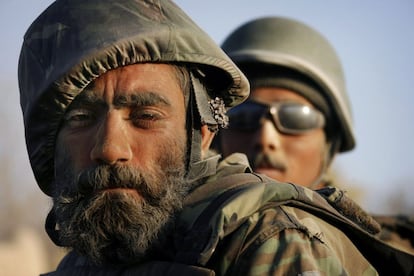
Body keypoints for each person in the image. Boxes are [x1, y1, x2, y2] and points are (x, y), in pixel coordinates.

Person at [18, 1, 413, 275]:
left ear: (202, 130)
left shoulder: (271, 239)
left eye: (146, 116)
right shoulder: (92, 251)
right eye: (82, 117)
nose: (108, 148)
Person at [215, 16, 414, 255]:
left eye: (295, 118)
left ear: (329, 143)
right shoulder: (174, 236)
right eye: (243, 117)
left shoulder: (380, 256)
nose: (266, 139)